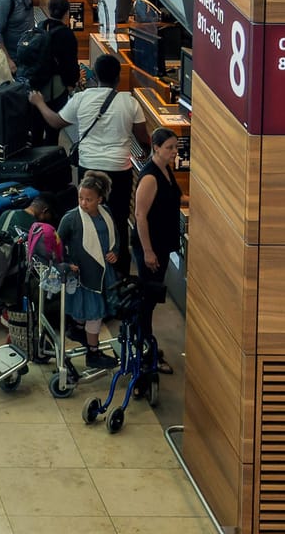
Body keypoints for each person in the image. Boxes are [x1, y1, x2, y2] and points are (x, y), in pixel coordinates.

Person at [31, 52, 150, 231]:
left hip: (89, 167)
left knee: (88, 217)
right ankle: (118, 256)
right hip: (119, 169)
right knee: (118, 218)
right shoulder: (130, 102)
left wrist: (39, 103)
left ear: (95, 76)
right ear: (118, 78)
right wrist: (146, 152)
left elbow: (56, 121)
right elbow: (142, 137)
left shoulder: (82, 98)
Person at [131, 127, 182, 376]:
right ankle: (144, 349)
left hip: (161, 244)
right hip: (151, 247)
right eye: (170, 147)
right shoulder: (150, 176)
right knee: (147, 300)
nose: (174, 152)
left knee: (150, 300)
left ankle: (144, 344)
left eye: (175, 147)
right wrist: (148, 251)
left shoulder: (165, 169)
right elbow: (141, 216)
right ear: (156, 148)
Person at [58, 171, 121, 369]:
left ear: (100, 199)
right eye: (81, 198)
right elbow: (58, 244)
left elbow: (115, 237)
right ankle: (93, 354)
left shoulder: (107, 213)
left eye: (89, 199)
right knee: (94, 313)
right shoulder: (71, 218)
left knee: (89, 310)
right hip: (84, 274)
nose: (83, 203)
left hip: (104, 271)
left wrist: (115, 252)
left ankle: (77, 329)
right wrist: (67, 262)